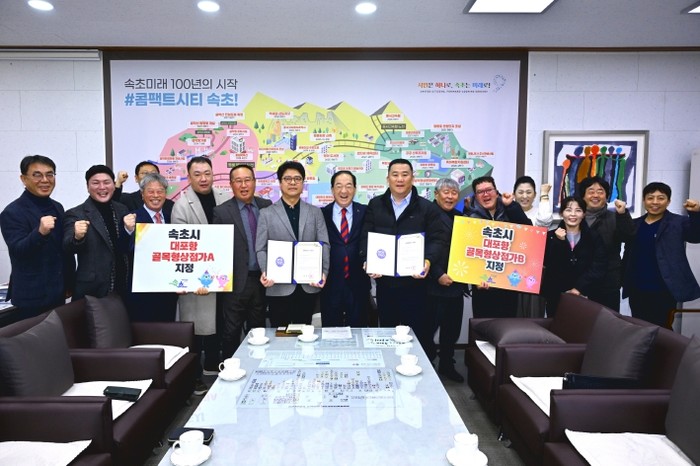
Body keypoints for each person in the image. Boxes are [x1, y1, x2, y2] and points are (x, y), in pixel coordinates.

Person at [360, 158, 447, 352]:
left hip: (416, 285)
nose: (400, 179)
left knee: (417, 335)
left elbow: (437, 240)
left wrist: (427, 261)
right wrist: (367, 260)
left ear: (412, 178)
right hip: (385, 284)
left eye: (405, 175)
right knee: (388, 334)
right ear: (388, 179)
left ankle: (418, 367)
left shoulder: (427, 207)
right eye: (395, 175)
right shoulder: (375, 204)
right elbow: (365, 236)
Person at [171, 156, 229, 394]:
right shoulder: (182, 205)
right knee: (195, 330)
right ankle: (194, 377)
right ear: (189, 177)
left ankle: (213, 366)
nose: (203, 178)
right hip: (198, 281)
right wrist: (195, 279)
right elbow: (181, 249)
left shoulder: (225, 197)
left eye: (207, 173)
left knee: (219, 325)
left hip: (223, 276)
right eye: (197, 174)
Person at [0, 155, 74, 321]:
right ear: (23, 179)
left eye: (50, 174)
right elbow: (18, 250)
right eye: (37, 175)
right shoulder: (12, 212)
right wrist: (39, 233)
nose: (45, 180)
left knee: (57, 335)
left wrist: (69, 281)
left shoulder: (57, 207)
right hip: (31, 297)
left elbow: (63, 250)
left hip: (58, 292)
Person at [256, 161, 330, 326]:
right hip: (278, 286)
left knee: (304, 333)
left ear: (303, 183)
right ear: (280, 183)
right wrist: (266, 271)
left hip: (308, 285)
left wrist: (323, 272)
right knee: (279, 334)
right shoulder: (266, 214)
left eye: (297, 179)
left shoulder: (315, 212)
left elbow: (324, 244)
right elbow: (261, 248)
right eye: (287, 179)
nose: (292, 182)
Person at [213, 164, 272, 358]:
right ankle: (229, 368)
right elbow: (217, 249)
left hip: (262, 281)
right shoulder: (221, 212)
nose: (244, 185)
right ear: (231, 184)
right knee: (231, 331)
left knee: (259, 330)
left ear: (255, 182)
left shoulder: (266, 206)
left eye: (247, 180)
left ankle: (256, 367)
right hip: (235, 283)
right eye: (238, 181)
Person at [622, 182, 700, 327]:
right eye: (650, 198)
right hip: (637, 289)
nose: (655, 202)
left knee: (662, 330)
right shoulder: (635, 224)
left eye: (661, 198)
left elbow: (696, 236)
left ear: (668, 201)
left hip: (664, 289)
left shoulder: (678, 222)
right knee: (640, 329)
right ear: (644, 200)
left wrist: (696, 214)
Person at [63, 165, 134, 301]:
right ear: (87, 187)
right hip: (93, 290)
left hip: (122, 286)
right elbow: (67, 247)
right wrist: (77, 237)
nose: (102, 187)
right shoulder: (76, 213)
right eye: (95, 183)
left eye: (106, 182)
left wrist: (129, 231)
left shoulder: (122, 209)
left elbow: (127, 245)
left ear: (114, 185)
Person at [464, 175, 531, 318]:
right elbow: (465, 252)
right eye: (480, 192)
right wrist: (474, 279)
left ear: (496, 191)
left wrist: (510, 205)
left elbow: (528, 231)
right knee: (483, 326)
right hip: (482, 287)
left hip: (508, 285)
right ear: (475, 196)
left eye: (489, 190)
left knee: (507, 325)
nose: (485, 194)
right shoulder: (469, 218)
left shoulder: (510, 210)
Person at [427, 178, 466, 382]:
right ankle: (427, 365)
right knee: (427, 330)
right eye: (446, 192)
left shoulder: (462, 218)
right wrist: (438, 274)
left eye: (454, 193)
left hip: (456, 285)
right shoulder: (426, 214)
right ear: (436, 194)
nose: (450, 196)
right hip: (432, 286)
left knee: (452, 330)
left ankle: (446, 365)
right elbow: (422, 248)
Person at [125, 172, 178, 322]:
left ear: (165, 194)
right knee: (144, 334)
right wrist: (128, 230)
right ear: (142, 194)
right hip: (143, 293)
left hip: (168, 291)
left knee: (168, 331)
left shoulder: (172, 216)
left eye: (160, 191)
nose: (156, 195)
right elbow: (124, 249)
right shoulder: (132, 218)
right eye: (150, 191)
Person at [542, 196, 607, 317]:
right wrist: (559, 242)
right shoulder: (550, 236)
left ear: (583, 214)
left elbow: (599, 266)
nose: (573, 214)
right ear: (561, 213)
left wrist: (578, 288)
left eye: (578, 210)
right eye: (568, 210)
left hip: (586, 294)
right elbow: (550, 265)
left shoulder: (594, 237)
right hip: (556, 296)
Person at [320, 170, 371, 327]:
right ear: (332, 190)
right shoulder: (321, 214)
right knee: (330, 332)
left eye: (349, 186)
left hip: (359, 284)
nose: (344, 191)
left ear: (355, 189)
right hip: (330, 285)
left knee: (359, 331)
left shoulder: (366, 212)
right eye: (339, 186)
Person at [577, 176, 634, 311]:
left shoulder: (615, 217)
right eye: (591, 191)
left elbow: (628, 237)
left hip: (607, 282)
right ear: (583, 196)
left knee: (607, 321)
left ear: (607, 196)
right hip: (579, 281)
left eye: (600, 191)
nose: (595, 195)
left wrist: (623, 214)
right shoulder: (575, 218)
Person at [512, 176, 552, 318]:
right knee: (511, 315)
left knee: (533, 315)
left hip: (534, 271)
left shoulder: (539, 213)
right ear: (514, 194)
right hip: (511, 271)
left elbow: (544, 222)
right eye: (520, 192)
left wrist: (544, 194)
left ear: (535, 195)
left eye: (529, 192)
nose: (524, 196)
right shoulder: (507, 212)